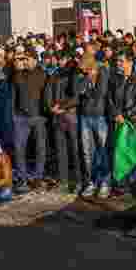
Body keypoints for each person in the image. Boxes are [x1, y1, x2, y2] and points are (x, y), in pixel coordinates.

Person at [108, 50, 136, 199]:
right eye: (117, 61)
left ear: (130, 62)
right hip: (118, 120)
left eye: (121, 61)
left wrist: (126, 115)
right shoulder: (114, 79)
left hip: (133, 121)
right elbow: (109, 98)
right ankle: (120, 185)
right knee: (119, 152)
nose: (118, 64)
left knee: (135, 153)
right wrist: (116, 114)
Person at [9, 50, 48, 193]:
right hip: (21, 117)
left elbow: (47, 94)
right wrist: (13, 114)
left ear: (35, 60)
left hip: (38, 116)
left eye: (28, 59)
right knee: (19, 149)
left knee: (40, 148)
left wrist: (45, 113)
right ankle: (22, 178)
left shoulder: (43, 74)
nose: (25, 62)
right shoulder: (18, 74)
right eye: (24, 59)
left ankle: (38, 177)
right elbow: (14, 94)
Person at [44, 53, 81, 194]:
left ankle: (78, 180)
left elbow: (76, 97)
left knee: (75, 151)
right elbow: (47, 93)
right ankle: (63, 180)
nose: (60, 61)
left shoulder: (74, 74)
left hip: (70, 115)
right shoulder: (54, 75)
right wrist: (50, 107)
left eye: (62, 59)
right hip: (57, 117)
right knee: (61, 150)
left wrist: (61, 107)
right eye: (58, 59)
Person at [77, 51, 112, 198]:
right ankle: (91, 182)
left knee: (102, 150)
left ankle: (105, 182)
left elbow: (100, 93)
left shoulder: (103, 72)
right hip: (85, 116)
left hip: (100, 116)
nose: (82, 70)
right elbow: (78, 90)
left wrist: (87, 92)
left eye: (85, 67)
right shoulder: (85, 76)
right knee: (87, 152)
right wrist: (87, 80)